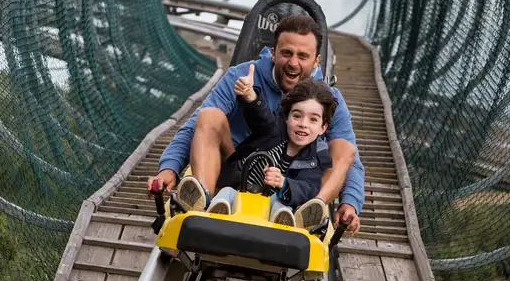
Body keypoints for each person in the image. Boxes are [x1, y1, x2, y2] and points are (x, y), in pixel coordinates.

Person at [147, 14, 363, 233]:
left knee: (344, 147)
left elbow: (348, 158)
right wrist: (170, 169)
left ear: (316, 61)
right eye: (286, 53)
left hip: (292, 183)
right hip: (236, 170)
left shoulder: (328, 98)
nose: (293, 63)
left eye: (302, 56)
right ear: (273, 52)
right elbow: (196, 127)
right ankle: (202, 200)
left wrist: (350, 202)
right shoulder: (241, 76)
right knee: (208, 115)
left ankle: (309, 213)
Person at [176, 66, 335, 232]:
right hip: (239, 191)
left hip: (269, 209)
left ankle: (286, 222)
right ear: (287, 118)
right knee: (227, 192)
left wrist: (284, 183)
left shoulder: (315, 157)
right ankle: (212, 207)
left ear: (323, 128)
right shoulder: (274, 131)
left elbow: (309, 187)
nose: (303, 124)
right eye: (297, 116)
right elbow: (262, 116)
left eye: (313, 120)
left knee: (281, 205)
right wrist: (250, 95)